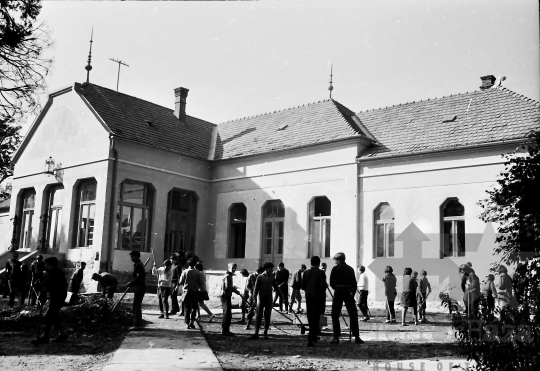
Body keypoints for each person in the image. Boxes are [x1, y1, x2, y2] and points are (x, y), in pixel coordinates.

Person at [31, 257, 68, 344]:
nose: (46, 266)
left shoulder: (57, 274)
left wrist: (44, 291)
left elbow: (53, 286)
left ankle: (45, 336)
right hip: (55, 295)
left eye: (47, 264)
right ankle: (62, 333)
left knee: (51, 313)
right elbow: (47, 284)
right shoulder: (50, 272)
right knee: (54, 314)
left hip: (59, 296)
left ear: (53, 265)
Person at [329, 252, 363, 344]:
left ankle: (336, 337)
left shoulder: (335, 269)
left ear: (338, 260)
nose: (335, 262)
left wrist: (336, 288)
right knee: (353, 314)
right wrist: (352, 292)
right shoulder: (350, 269)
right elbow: (354, 283)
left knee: (335, 314)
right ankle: (356, 336)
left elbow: (331, 282)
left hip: (338, 291)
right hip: (348, 292)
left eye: (335, 260)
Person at [250, 262, 284, 340]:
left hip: (269, 297)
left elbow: (276, 288)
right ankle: (256, 332)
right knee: (259, 315)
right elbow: (256, 289)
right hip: (261, 297)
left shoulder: (272, 277)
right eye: (271, 268)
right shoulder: (260, 277)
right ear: (267, 269)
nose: (272, 270)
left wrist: (282, 296)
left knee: (267, 315)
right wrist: (254, 299)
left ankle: (265, 332)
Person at [302, 256, 327, 347]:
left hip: (309, 296)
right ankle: (311, 338)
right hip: (318, 297)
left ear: (310, 263)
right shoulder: (321, 273)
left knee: (310, 316)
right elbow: (323, 286)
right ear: (319, 263)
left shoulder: (306, 272)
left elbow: (303, 286)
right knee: (315, 318)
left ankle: (313, 337)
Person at [179, 258, 203, 330]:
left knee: (187, 308)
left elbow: (180, 282)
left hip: (187, 291)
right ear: (195, 264)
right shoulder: (198, 272)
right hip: (195, 291)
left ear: (188, 264)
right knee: (194, 308)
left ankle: (187, 323)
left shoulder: (185, 272)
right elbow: (200, 283)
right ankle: (192, 322)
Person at [127, 251, 146, 331]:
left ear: (137, 256)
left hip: (140, 286)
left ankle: (137, 324)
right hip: (139, 286)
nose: (132, 258)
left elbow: (139, 277)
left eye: (133, 257)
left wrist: (131, 283)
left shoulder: (139, 265)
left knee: (137, 305)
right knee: (136, 304)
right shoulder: (138, 264)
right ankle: (137, 323)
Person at [219, 263, 241, 336]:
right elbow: (227, 287)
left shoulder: (229, 275)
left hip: (226, 295)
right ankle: (225, 331)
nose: (234, 269)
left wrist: (233, 288)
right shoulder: (228, 276)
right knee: (227, 314)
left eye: (235, 268)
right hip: (225, 295)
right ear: (229, 267)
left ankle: (225, 330)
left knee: (228, 313)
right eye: (232, 268)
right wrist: (235, 290)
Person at [245, 266, 265, 330]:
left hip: (260, 296)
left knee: (260, 311)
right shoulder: (251, 276)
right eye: (260, 272)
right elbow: (247, 286)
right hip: (252, 296)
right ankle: (248, 324)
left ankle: (258, 325)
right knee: (250, 310)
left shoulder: (262, 277)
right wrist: (251, 291)